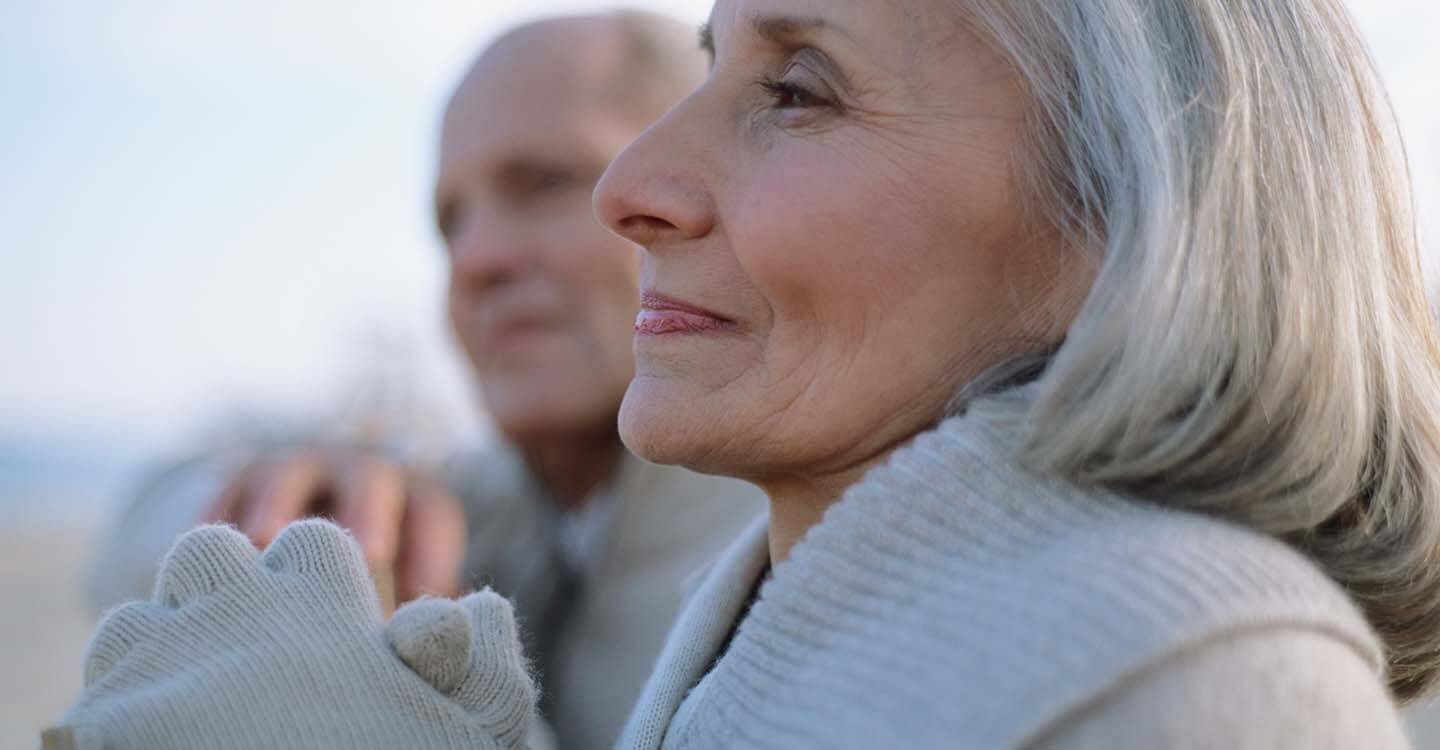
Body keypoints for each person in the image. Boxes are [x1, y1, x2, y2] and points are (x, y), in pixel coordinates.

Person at [58, 0, 1440, 747]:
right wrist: (298, 492)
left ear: (1138, 215)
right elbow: (146, 534)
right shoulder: (671, 551)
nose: (631, 189)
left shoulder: (1200, 679)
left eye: (796, 88)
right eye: (449, 219)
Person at [78, 11, 765, 750]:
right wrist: (299, 497)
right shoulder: (495, 510)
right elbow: (125, 544)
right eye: (450, 222)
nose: (474, 260)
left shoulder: (792, 578)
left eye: (544, 184)